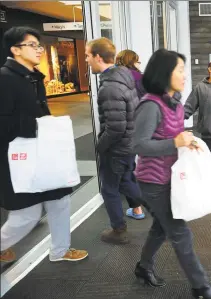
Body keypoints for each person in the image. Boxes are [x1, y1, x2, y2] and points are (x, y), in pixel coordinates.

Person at [132, 49, 211, 299]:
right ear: (164, 73)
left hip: (171, 176)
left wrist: (188, 142)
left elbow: (171, 136)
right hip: (152, 181)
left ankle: (143, 267)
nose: (184, 75)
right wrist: (175, 143)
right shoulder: (150, 105)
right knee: (179, 231)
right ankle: (201, 288)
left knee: (161, 229)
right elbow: (139, 145)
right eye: (179, 70)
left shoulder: (173, 103)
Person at [0, 27, 88, 263]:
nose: (39, 50)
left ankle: (60, 250)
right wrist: (39, 125)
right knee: (26, 215)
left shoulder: (32, 77)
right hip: (19, 159)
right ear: (15, 50)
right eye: (33, 45)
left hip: (43, 153)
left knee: (60, 201)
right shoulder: (5, 79)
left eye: (39, 45)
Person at [85, 38, 141, 244]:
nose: (87, 60)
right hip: (128, 145)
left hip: (117, 148)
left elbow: (116, 127)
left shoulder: (110, 87)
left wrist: (100, 146)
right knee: (126, 181)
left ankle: (118, 230)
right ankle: (163, 215)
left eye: (88, 55)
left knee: (109, 188)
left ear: (98, 57)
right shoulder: (124, 78)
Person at [115, 49, 146, 220]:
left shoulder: (117, 78)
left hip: (122, 129)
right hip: (138, 128)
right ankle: (139, 206)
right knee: (131, 168)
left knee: (125, 172)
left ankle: (138, 208)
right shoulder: (141, 79)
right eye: (138, 60)